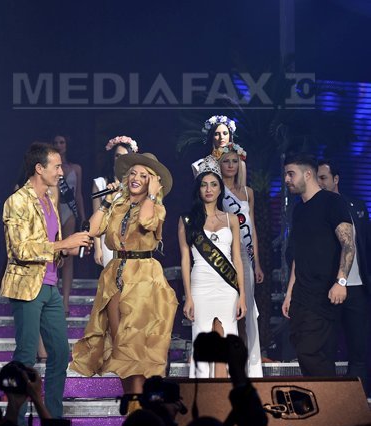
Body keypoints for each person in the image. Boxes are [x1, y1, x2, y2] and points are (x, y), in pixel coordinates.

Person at [0, 142, 91, 426]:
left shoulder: (50, 199)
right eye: (57, 166)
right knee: (26, 356)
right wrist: (63, 244)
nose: (61, 172)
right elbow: (20, 250)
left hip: (50, 286)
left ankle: (53, 424)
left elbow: (51, 246)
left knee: (60, 354)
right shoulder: (17, 201)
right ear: (39, 168)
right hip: (27, 286)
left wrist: (68, 250)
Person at [71, 152, 179, 399]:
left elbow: (145, 221)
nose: (135, 178)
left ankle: (138, 409)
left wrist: (151, 195)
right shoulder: (117, 205)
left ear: (153, 181)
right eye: (132, 173)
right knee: (121, 348)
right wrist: (107, 202)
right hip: (115, 275)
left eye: (143, 175)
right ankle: (132, 407)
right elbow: (93, 229)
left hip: (143, 277)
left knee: (135, 349)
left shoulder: (156, 206)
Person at [282, 154, 354, 376]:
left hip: (324, 294)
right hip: (301, 295)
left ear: (307, 174)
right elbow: (298, 255)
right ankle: (320, 396)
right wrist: (289, 293)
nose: (286, 179)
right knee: (304, 351)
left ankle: (328, 397)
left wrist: (341, 281)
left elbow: (348, 244)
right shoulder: (298, 210)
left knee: (312, 353)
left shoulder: (333, 202)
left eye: (291, 174)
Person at [203, 114, 264, 377]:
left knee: (247, 313)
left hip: (246, 259)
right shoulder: (213, 192)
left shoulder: (248, 192)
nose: (230, 165)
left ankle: (251, 367)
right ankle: (223, 367)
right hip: (223, 257)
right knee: (226, 312)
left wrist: (257, 263)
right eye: (225, 161)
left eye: (234, 161)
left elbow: (253, 228)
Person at [178, 155, 246, 378]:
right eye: (204, 185)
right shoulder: (187, 220)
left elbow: (237, 259)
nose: (208, 189)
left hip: (227, 287)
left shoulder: (231, 219)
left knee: (228, 340)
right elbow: (185, 260)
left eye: (214, 184)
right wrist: (188, 296)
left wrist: (242, 296)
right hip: (200, 286)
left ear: (220, 189)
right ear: (198, 189)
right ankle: (202, 393)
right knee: (202, 341)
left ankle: (226, 393)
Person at [317, 159, 370, 393]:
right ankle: (328, 399)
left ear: (336, 179)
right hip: (326, 289)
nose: (320, 183)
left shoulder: (356, 206)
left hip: (357, 288)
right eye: (317, 178)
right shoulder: (312, 208)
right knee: (325, 349)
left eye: (323, 178)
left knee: (358, 348)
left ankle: (357, 399)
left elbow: (365, 243)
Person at [92, 135, 138, 268]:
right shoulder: (101, 183)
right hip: (108, 239)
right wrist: (97, 248)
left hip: (130, 239)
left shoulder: (136, 184)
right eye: (118, 156)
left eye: (125, 156)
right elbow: (96, 219)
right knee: (111, 276)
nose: (121, 159)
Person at [53, 134, 86, 316]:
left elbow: (78, 194)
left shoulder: (76, 168)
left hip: (70, 213)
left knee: (68, 258)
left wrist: (83, 217)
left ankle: (65, 302)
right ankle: (53, 300)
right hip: (54, 212)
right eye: (56, 142)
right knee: (54, 255)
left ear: (67, 145)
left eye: (62, 142)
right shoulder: (51, 168)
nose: (59, 145)